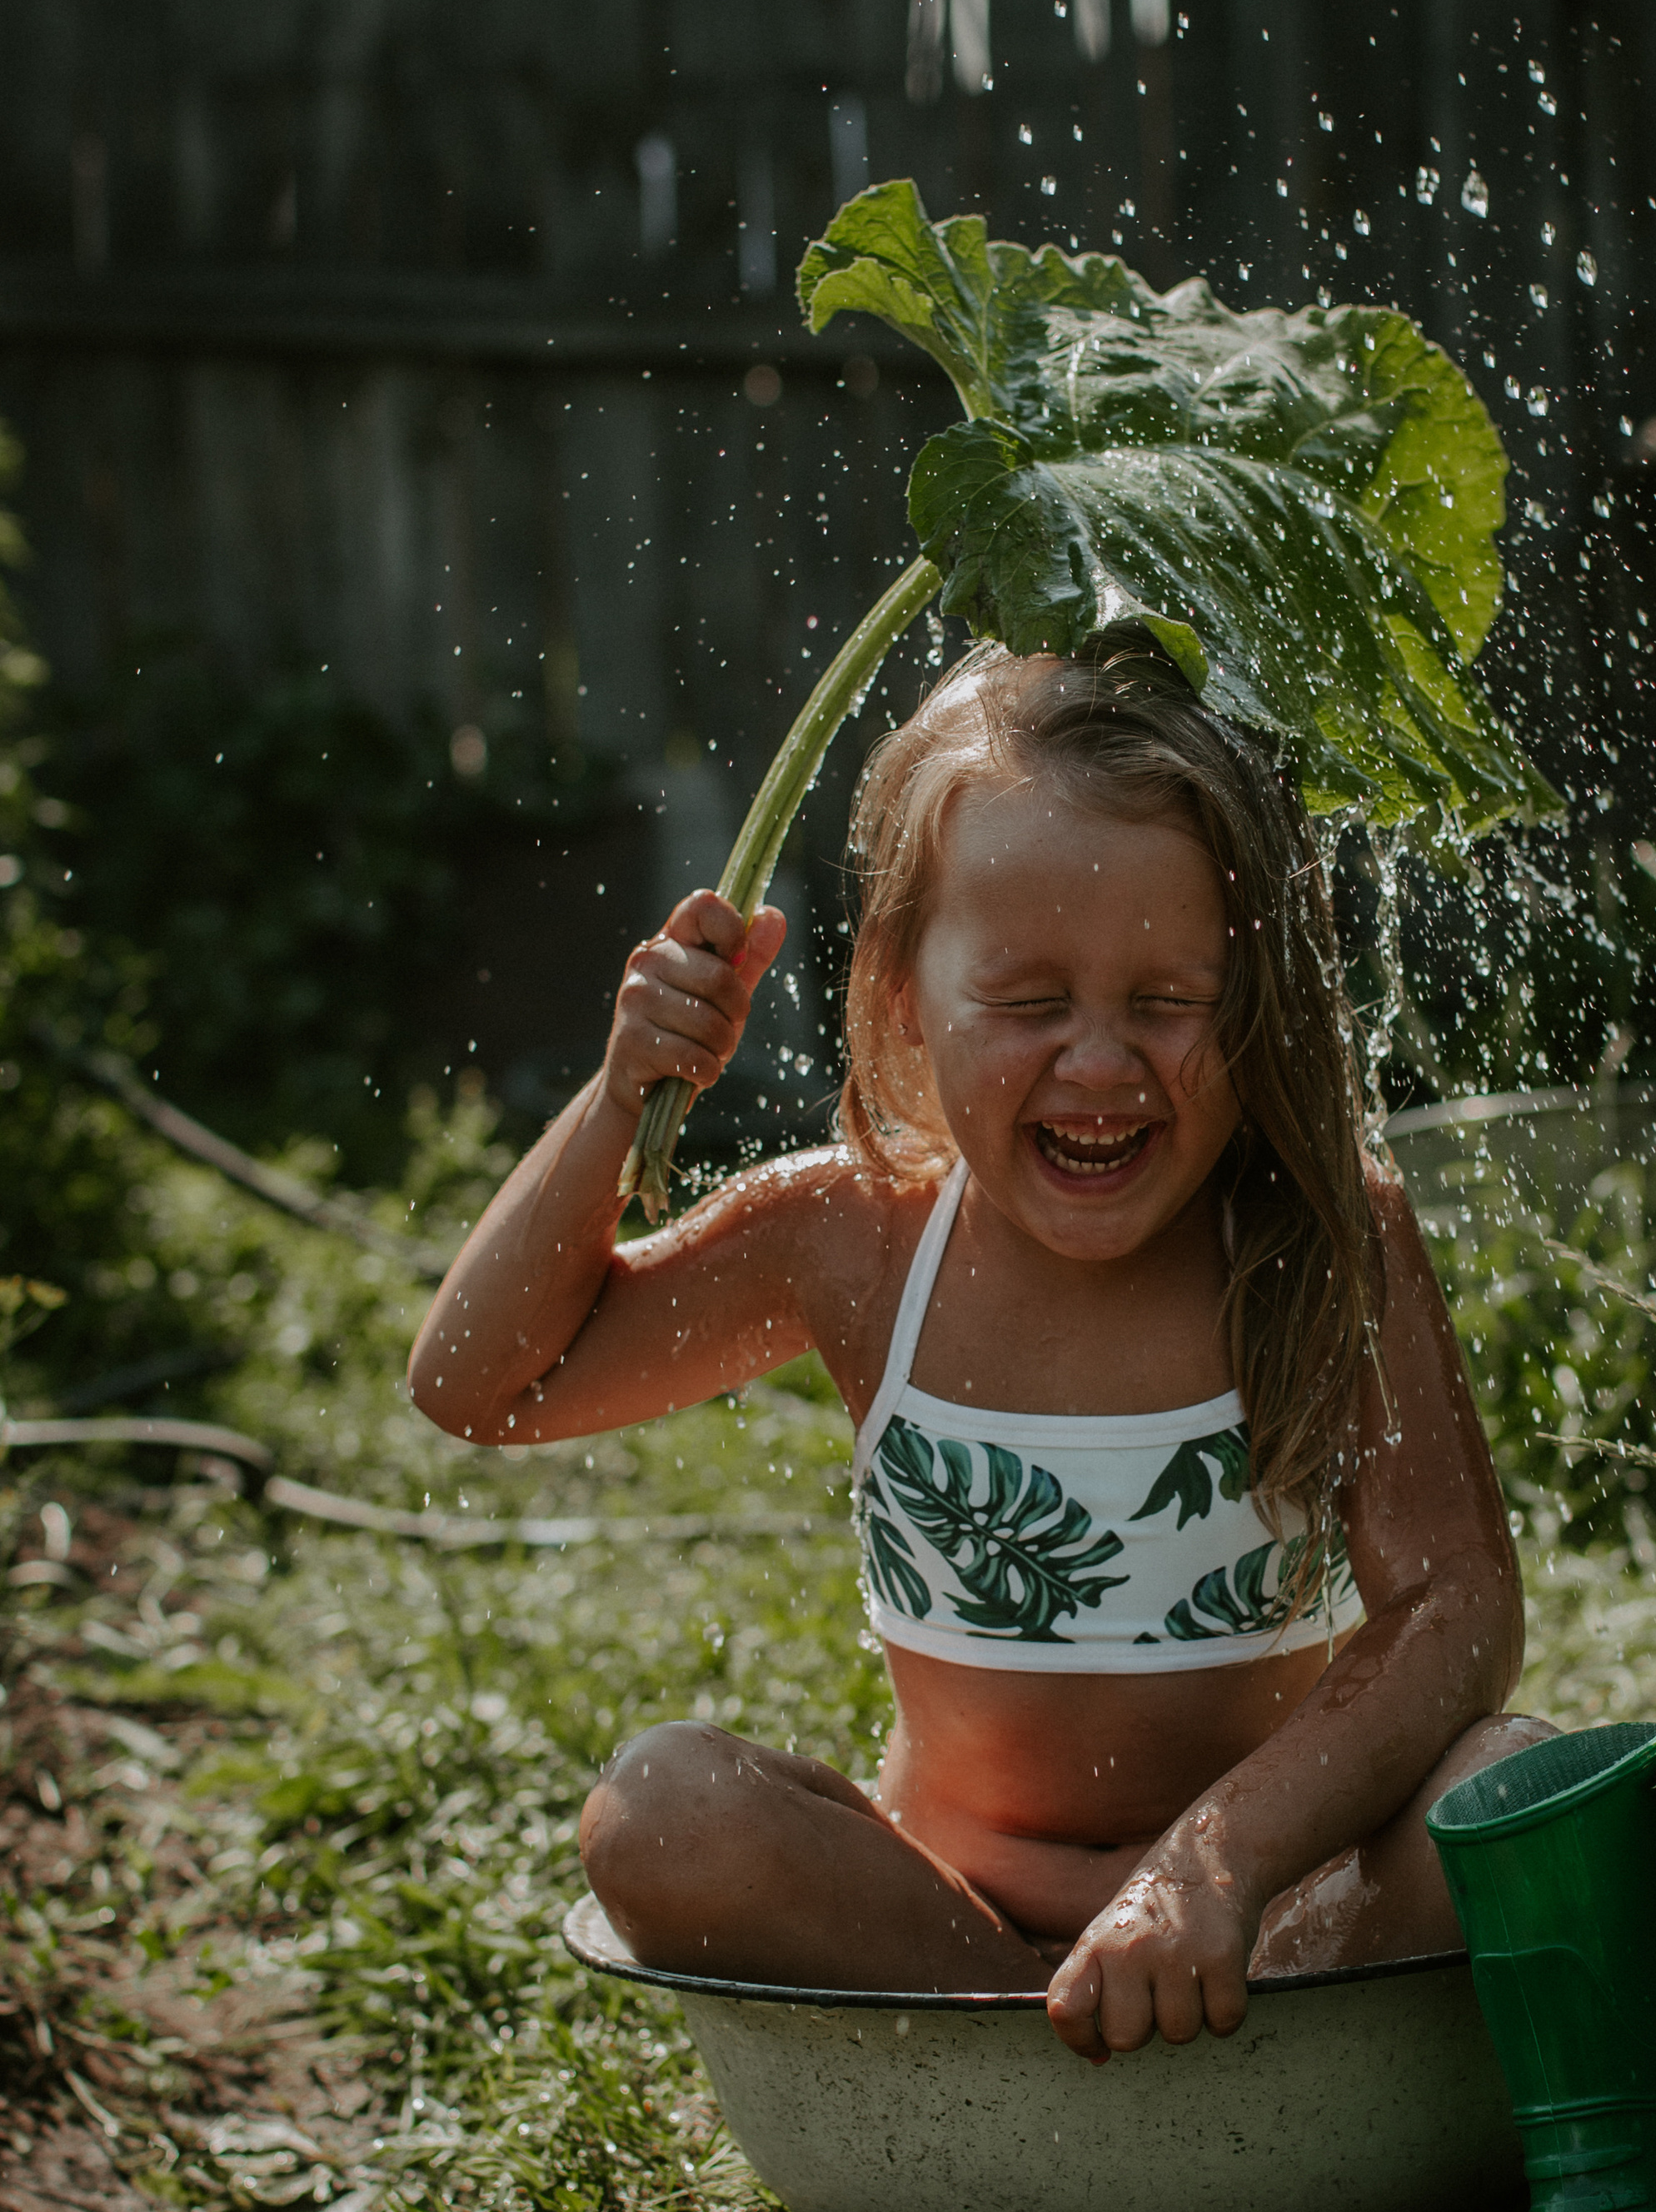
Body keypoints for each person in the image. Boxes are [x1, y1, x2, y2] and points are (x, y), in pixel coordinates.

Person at [410, 640, 1551, 2065]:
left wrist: (1214, 1867)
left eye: (1168, 999)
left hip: (1270, 1921)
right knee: (664, 1808)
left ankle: (1110, 2072)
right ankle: (1048, 2049)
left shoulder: (1321, 1227)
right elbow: (480, 1386)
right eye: (1027, 1004)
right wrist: (619, 1095)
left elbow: (1459, 1612)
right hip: (940, 1930)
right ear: (899, 993)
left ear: (1253, 990)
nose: (1098, 1063)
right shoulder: (857, 1236)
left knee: (1520, 1788)